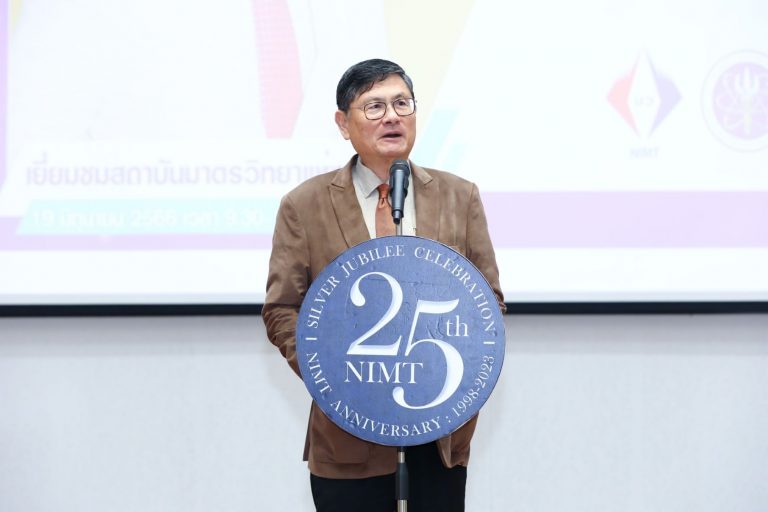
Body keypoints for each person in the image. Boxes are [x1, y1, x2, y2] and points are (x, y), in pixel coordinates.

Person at [263, 58, 505, 512]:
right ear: (343, 123)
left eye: (401, 103)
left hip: (436, 427)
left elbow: (487, 300)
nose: (392, 116)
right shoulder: (304, 205)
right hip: (348, 435)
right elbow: (282, 309)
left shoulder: (459, 196)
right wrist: (331, 370)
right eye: (374, 106)